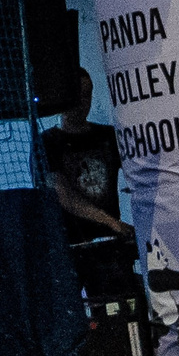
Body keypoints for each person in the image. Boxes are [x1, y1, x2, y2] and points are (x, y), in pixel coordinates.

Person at [45, 70, 130, 242]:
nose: (81, 103)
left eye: (86, 95)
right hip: (72, 245)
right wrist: (111, 222)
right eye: (76, 96)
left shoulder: (108, 136)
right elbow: (63, 195)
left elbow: (137, 172)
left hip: (111, 241)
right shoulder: (47, 142)